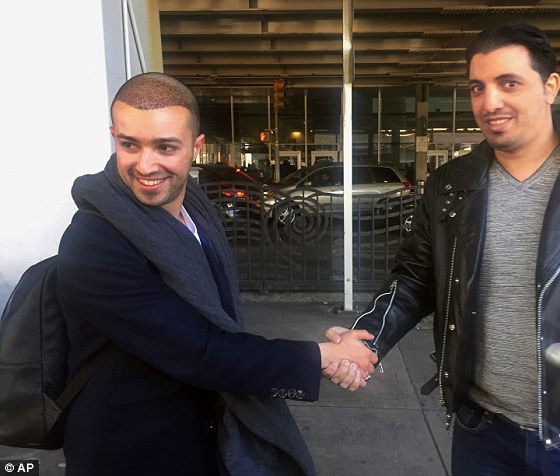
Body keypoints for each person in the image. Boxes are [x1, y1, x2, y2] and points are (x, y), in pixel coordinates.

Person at [323, 23, 560, 474]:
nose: (490, 103)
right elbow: (414, 278)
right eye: (477, 87)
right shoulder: (452, 184)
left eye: (509, 83)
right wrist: (366, 337)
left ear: (550, 87)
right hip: (482, 433)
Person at [56, 72, 377, 476]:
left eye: (165, 147)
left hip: (204, 430)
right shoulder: (92, 243)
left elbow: (220, 324)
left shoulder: (196, 208)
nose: (145, 164)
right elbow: (201, 351)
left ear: (196, 147)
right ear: (113, 137)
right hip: (132, 450)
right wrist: (324, 357)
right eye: (129, 145)